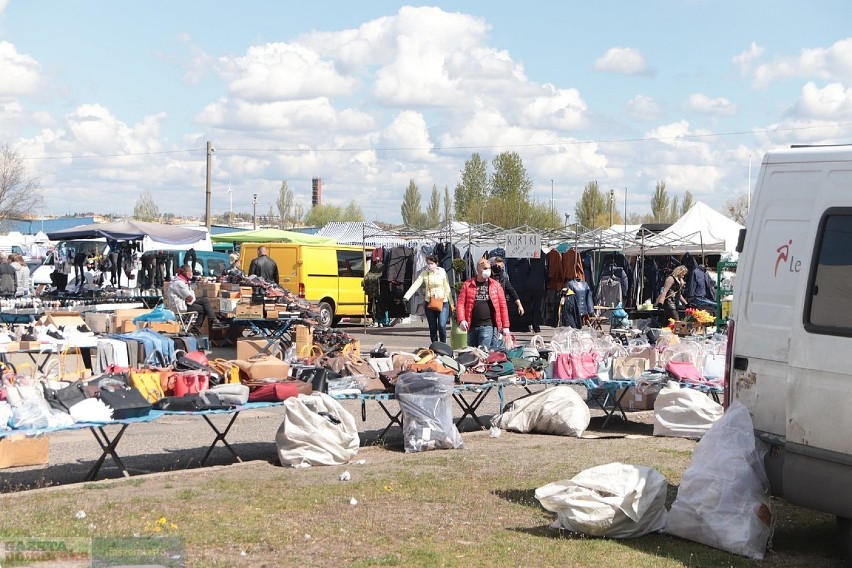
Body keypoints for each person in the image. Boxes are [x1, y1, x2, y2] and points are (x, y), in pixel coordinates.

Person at [456, 258, 510, 349]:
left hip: (488, 325)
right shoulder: (467, 284)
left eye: (489, 268)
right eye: (485, 268)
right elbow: (460, 303)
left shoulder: (496, 285)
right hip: (472, 325)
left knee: (483, 352)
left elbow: (502, 306)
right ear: (478, 269)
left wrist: (505, 326)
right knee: (471, 354)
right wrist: (461, 320)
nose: (487, 271)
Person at [403, 255, 452, 343]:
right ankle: (435, 346)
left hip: (443, 302)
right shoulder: (424, 273)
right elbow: (416, 284)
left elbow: (447, 287)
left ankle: (443, 345)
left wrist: (451, 303)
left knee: (441, 325)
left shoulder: (442, 272)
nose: (430, 266)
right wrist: (407, 296)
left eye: (432, 263)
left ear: (436, 263)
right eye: (428, 264)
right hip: (429, 302)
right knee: (432, 327)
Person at [168, 264, 225, 333]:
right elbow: (190, 298)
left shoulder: (183, 282)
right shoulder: (179, 284)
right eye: (190, 271)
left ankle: (213, 321)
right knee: (203, 308)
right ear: (185, 273)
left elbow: (190, 297)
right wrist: (192, 293)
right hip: (180, 306)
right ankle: (199, 327)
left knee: (205, 300)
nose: (191, 273)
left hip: (184, 303)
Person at [489, 256, 525, 321]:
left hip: (499, 305)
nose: (499, 268)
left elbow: (512, 291)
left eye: (501, 267)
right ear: (492, 264)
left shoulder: (503, 277)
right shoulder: (487, 277)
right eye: (497, 266)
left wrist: (519, 305)